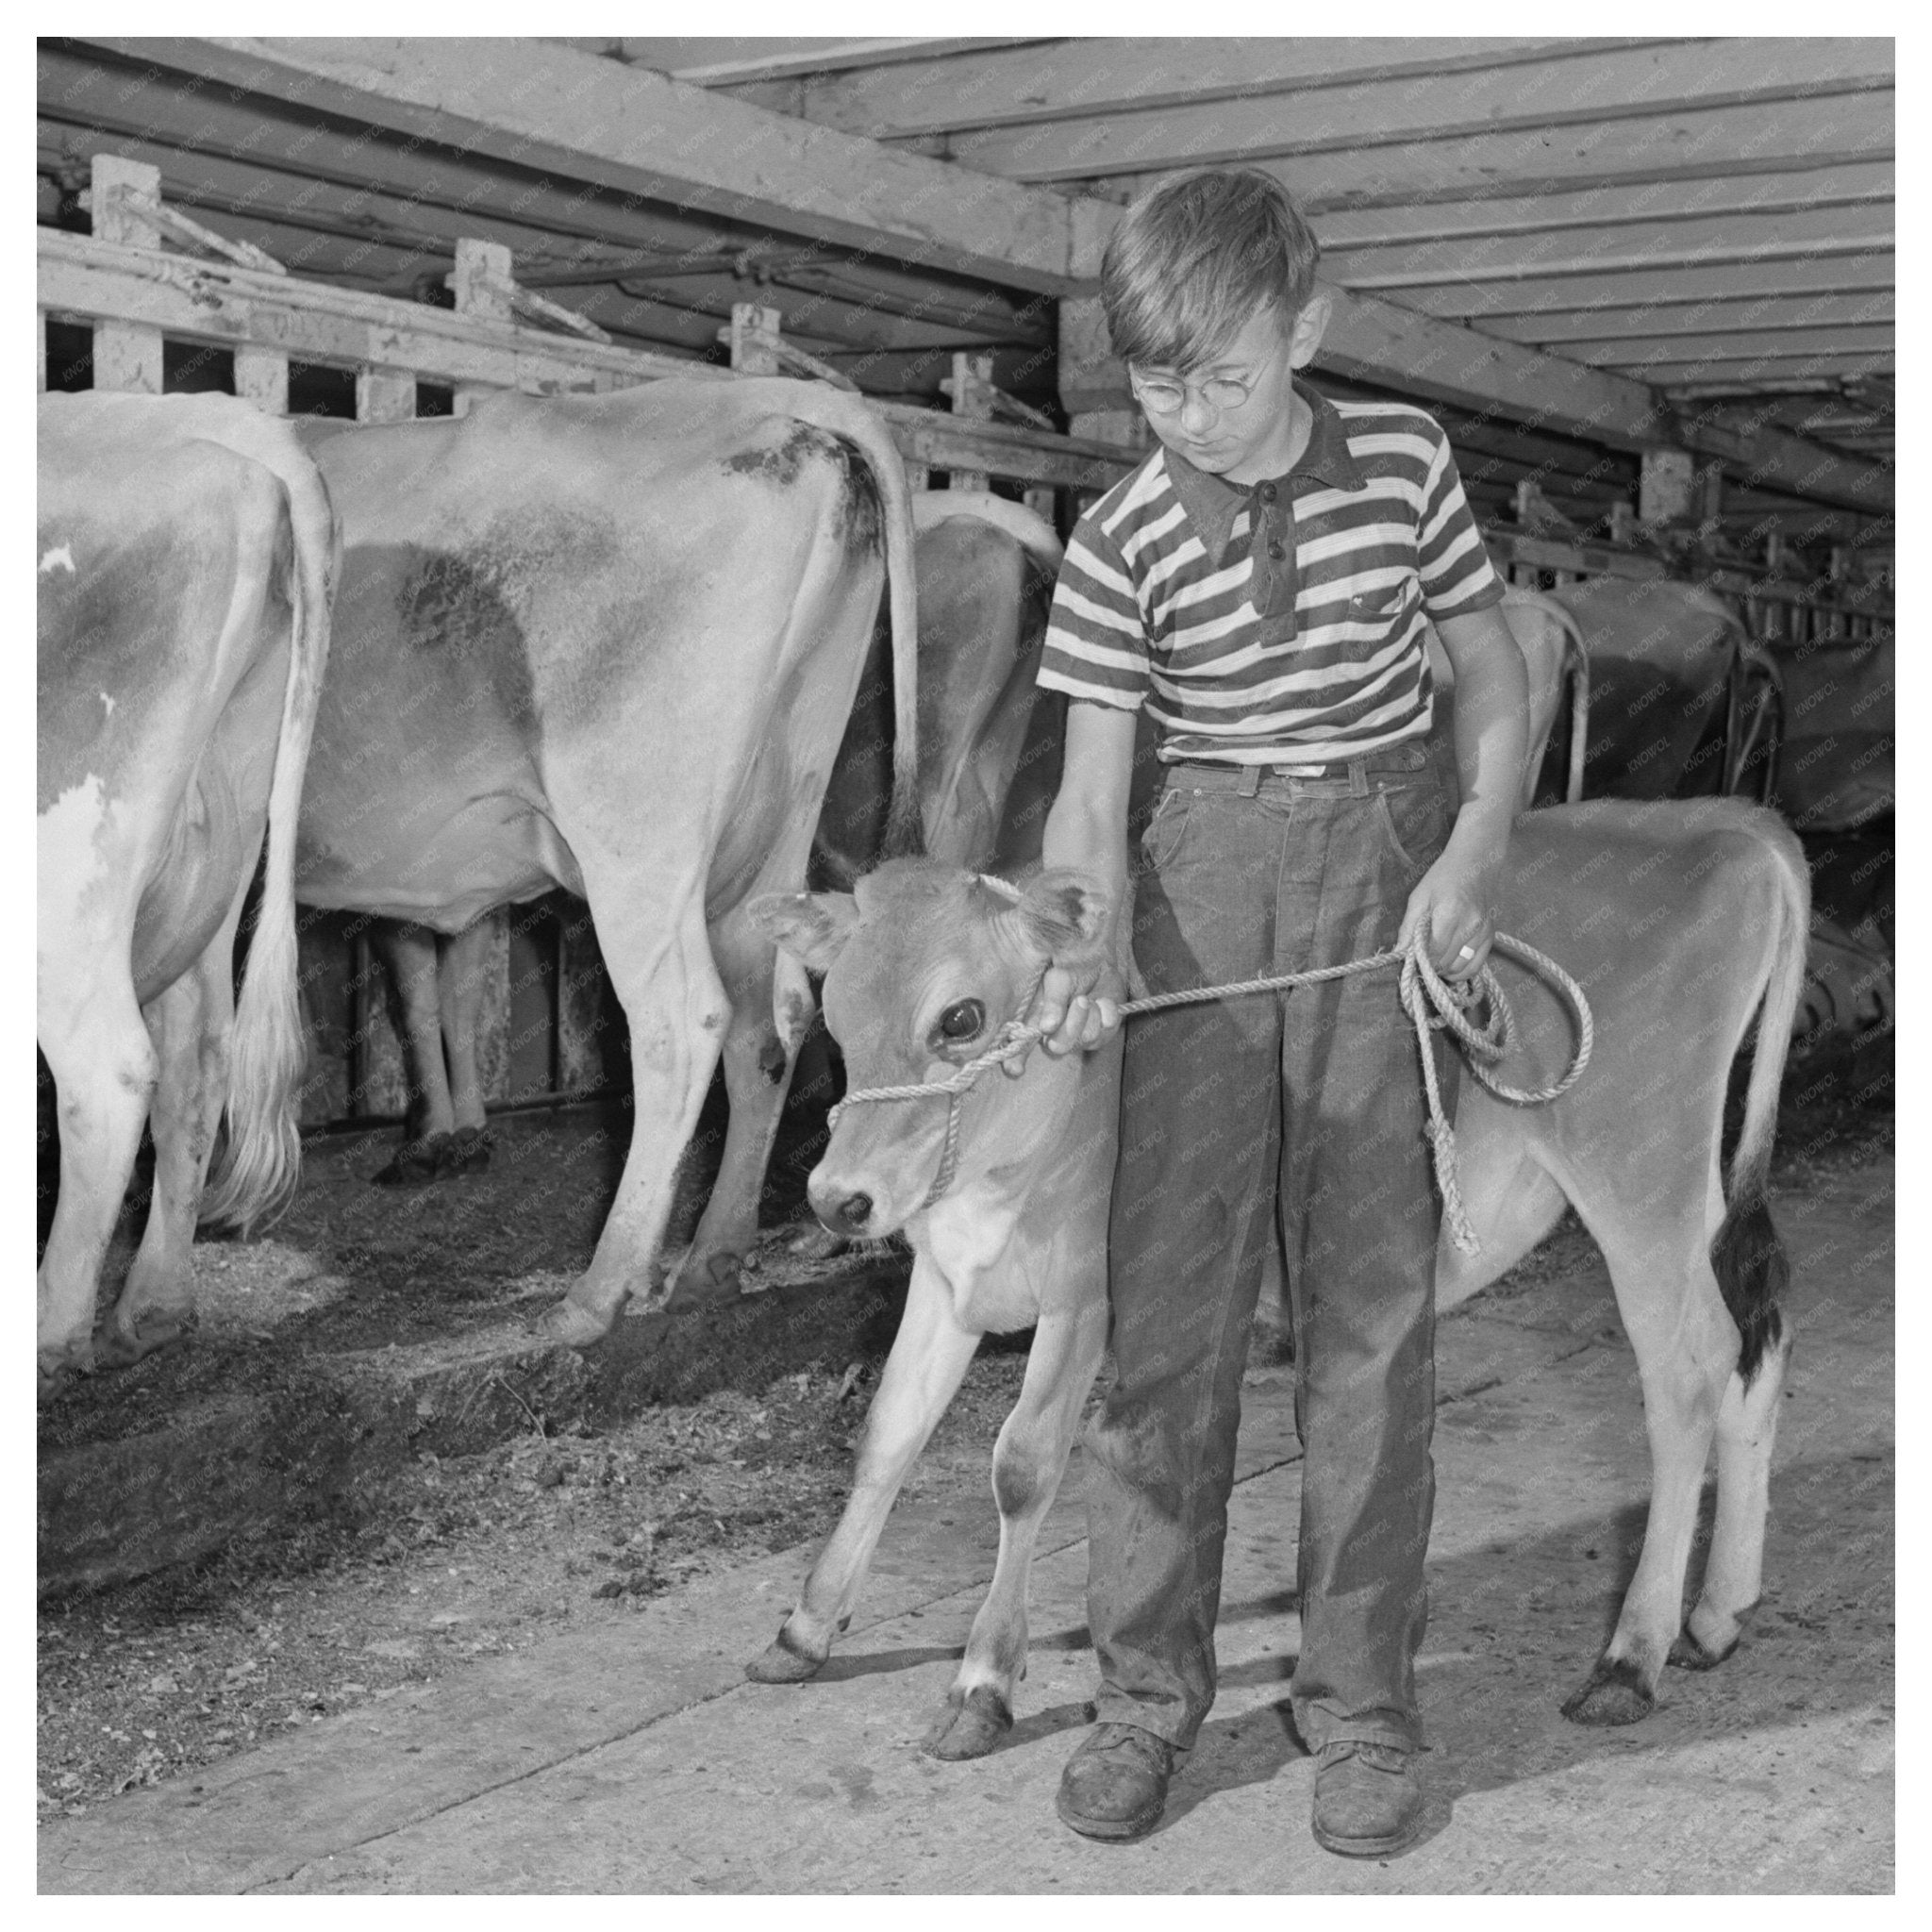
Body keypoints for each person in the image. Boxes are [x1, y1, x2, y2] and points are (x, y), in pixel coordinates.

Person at [1031, 167, 1529, 1858]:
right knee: (1167, 1326)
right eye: (1156, 387)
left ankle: (1366, 1714)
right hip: (1200, 881)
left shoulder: (1402, 463)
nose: (1189, 418)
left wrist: (1474, 848)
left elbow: (1492, 663)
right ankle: (1143, 1702)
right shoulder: (1120, 537)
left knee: (1373, 1323)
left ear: (1303, 330)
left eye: (1222, 379)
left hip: (1384, 865)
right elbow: (1092, 801)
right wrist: (1086, 933)